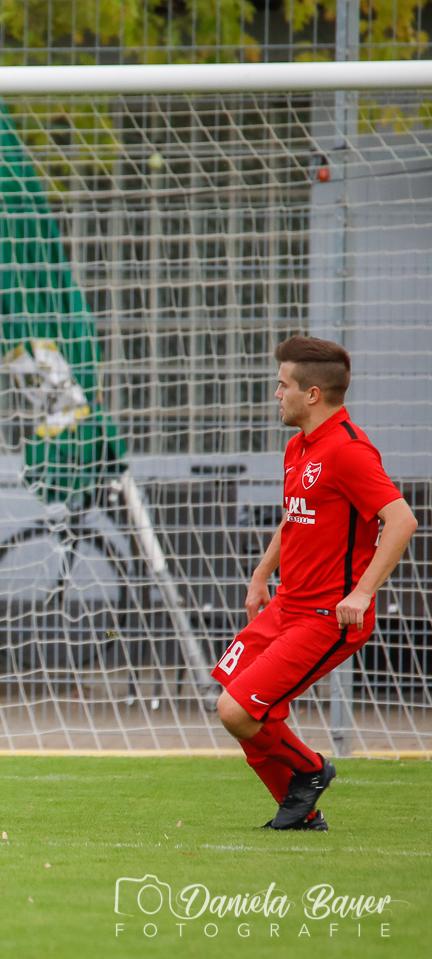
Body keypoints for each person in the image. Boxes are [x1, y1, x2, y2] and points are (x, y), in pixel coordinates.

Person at [214, 336, 417, 830]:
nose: (274, 394)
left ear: (312, 395)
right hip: (286, 605)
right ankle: (302, 814)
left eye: (281, 385)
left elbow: (402, 520)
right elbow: (295, 517)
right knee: (233, 697)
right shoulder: (297, 446)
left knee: (238, 711)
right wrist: (262, 575)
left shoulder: (349, 452)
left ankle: (310, 769)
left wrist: (363, 591)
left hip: (329, 617)